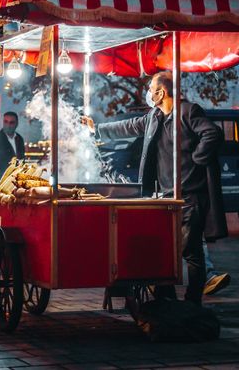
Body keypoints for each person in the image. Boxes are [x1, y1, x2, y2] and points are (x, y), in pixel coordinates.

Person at [83, 71, 227, 305]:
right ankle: (166, 299)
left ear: (161, 92)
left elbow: (212, 133)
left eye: (151, 89)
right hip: (166, 196)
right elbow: (129, 126)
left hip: (190, 195)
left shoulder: (189, 111)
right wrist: (97, 129)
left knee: (191, 252)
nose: (149, 93)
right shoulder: (154, 117)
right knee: (164, 249)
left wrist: (198, 159)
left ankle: (192, 304)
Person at [0, 111, 25, 183]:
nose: (8, 125)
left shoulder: (19, 139)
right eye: (6, 122)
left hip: (16, 181)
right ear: (3, 123)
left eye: (11, 122)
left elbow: (22, 160)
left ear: (17, 124)